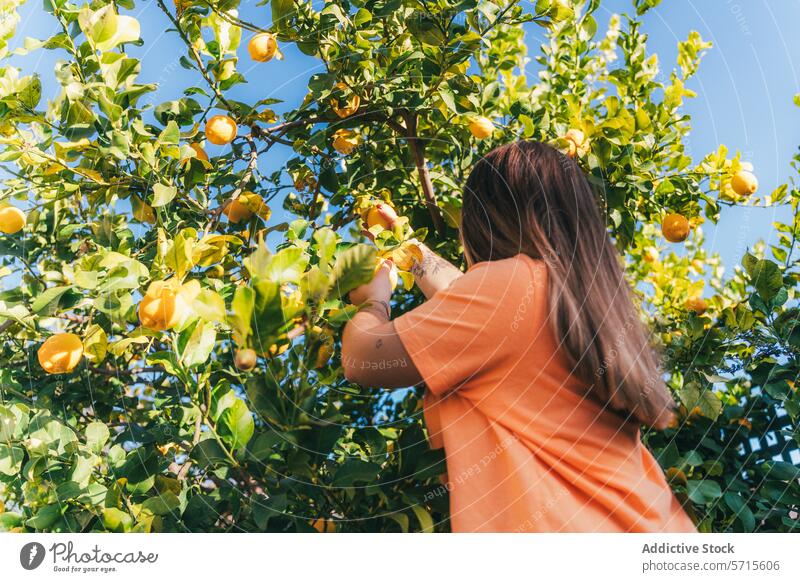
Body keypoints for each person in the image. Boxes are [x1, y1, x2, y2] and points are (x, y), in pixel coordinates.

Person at [341, 140, 696, 533]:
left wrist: (373, 301)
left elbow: (363, 359)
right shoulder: (575, 298)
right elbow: (483, 317)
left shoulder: (508, 289)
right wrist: (409, 249)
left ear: (484, 221)